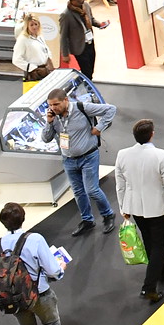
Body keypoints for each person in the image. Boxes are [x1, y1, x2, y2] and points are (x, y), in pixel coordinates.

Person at [116, 119, 164, 304]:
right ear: (152, 134)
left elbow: (120, 184)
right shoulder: (162, 156)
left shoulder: (123, 154)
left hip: (135, 208)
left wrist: (123, 207)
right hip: (158, 208)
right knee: (160, 246)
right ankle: (149, 287)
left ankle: (162, 272)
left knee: (149, 241)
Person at [41, 88, 119, 237]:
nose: (53, 108)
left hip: (88, 157)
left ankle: (108, 214)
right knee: (78, 192)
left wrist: (99, 128)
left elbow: (111, 109)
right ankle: (87, 220)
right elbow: (46, 138)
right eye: (50, 105)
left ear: (66, 100)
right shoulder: (53, 117)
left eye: (56, 104)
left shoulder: (82, 108)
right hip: (68, 160)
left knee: (92, 190)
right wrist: (49, 123)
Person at [13, 13, 54, 91]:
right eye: (31, 25)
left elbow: (46, 51)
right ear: (27, 26)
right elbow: (16, 59)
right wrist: (32, 68)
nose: (34, 27)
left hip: (45, 70)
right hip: (34, 74)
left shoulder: (40, 37)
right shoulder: (23, 39)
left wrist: (50, 65)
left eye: (36, 24)